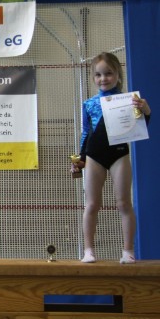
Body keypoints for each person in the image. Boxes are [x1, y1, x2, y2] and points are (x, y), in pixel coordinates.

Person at [71, 52, 151, 264]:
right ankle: (88, 250)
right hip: (95, 156)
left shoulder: (129, 101)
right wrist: (80, 160)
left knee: (124, 202)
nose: (103, 78)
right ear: (93, 78)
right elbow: (86, 133)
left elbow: (141, 125)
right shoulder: (89, 104)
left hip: (119, 154)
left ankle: (128, 250)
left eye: (108, 73)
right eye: (98, 75)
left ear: (118, 74)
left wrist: (145, 109)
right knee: (91, 204)